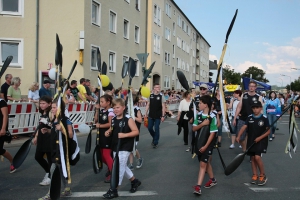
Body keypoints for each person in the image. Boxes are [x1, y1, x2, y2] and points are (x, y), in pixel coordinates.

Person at [38, 97, 77, 200]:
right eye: (53, 107)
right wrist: (48, 130)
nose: (52, 109)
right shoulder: (54, 119)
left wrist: (62, 129)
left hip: (62, 150)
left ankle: (50, 194)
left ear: (60, 109)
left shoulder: (65, 120)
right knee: (60, 170)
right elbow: (55, 133)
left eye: (55, 107)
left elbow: (70, 135)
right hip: (54, 149)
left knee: (54, 170)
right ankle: (67, 189)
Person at [103, 98, 141, 199]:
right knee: (122, 166)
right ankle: (134, 181)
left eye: (118, 107)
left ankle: (114, 189)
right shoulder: (114, 119)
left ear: (123, 108)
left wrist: (124, 135)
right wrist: (109, 132)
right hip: (116, 146)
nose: (115, 110)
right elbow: (112, 129)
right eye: (114, 108)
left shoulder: (128, 119)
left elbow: (136, 131)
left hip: (125, 146)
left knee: (119, 168)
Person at [236, 101, 270, 186]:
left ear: (260, 108)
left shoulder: (264, 118)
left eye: (257, 108)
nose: (255, 110)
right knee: (253, 158)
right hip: (251, 140)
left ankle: (262, 175)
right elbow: (244, 126)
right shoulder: (250, 117)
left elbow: (268, 131)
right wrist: (239, 135)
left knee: (257, 157)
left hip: (261, 141)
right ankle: (255, 175)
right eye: (254, 108)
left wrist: (260, 138)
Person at [192, 95, 218, 195]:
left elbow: (212, 133)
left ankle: (198, 187)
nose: (199, 105)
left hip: (208, 144)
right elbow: (194, 129)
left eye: (200, 103)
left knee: (202, 164)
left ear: (206, 105)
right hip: (199, 143)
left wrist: (206, 146)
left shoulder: (212, 117)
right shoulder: (198, 116)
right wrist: (203, 124)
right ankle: (213, 179)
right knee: (206, 164)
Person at [233, 81, 263, 152]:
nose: (251, 87)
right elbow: (239, 107)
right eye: (250, 86)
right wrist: (234, 118)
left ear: (255, 87)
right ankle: (245, 149)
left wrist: (261, 119)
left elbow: (261, 109)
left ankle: (251, 152)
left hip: (253, 119)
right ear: (248, 87)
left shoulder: (259, 97)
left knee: (252, 138)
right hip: (243, 119)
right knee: (240, 138)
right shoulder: (244, 95)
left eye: (253, 86)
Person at [32, 96, 52, 186]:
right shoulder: (42, 113)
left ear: (49, 104)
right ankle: (48, 172)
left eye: (44, 103)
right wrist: (36, 136)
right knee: (38, 157)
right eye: (40, 103)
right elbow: (39, 126)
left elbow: (53, 125)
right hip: (41, 138)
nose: (41, 105)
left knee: (50, 158)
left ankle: (50, 176)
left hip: (49, 138)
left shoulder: (51, 113)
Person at [95, 94, 115, 183]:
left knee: (106, 155)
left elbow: (111, 124)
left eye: (102, 102)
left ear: (108, 102)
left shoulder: (111, 112)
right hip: (101, 136)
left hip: (108, 135)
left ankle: (113, 173)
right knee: (102, 156)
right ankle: (111, 167)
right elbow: (96, 120)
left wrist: (101, 126)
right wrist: (96, 109)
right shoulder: (102, 111)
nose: (101, 103)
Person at [144, 83, 166, 148]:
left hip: (158, 116)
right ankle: (154, 136)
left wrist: (163, 116)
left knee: (156, 128)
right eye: (157, 87)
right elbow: (148, 104)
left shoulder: (161, 96)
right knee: (149, 128)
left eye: (159, 87)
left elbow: (163, 106)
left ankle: (155, 142)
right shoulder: (150, 95)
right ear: (154, 88)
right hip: (151, 115)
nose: (158, 88)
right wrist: (145, 113)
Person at [0, 95, 16, 173]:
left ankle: (12, 162)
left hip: (0, 129)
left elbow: (5, 116)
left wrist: (3, 129)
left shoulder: (2, 102)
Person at [128, 95, 144, 170]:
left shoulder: (137, 109)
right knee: (130, 148)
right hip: (128, 130)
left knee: (132, 147)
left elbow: (140, 120)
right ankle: (131, 164)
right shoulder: (127, 108)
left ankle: (139, 158)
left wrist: (133, 117)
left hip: (135, 130)